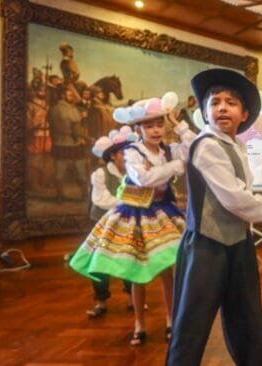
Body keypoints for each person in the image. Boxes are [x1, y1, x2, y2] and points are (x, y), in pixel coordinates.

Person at [69, 93, 195, 346]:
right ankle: (139, 323)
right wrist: (175, 167)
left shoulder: (168, 150)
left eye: (160, 124)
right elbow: (143, 179)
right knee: (137, 271)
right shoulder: (132, 152)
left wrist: (179, 126)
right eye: (149, 126)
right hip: (135, 214)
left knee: (167, 269)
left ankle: (172, 320)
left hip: (163, 211)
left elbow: (193, 151)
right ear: (138, 129)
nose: (156, 130)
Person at [166, 69, 262, 366]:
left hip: (238, 243)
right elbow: (233, 197)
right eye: (215, 102)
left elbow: (241, 189)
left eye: (231, 102)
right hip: (206, 246)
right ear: (205, 112)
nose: (222, 107)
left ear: (244, 114)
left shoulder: (235, 145)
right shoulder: (207, 145)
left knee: (247, 317)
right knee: (192, 323)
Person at [85, 127, 137, 319]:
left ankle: (133, 298)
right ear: (114, 155)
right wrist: (129, 201)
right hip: (102, 223)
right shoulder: (100, 174)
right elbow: (101, 199)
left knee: (129, 258)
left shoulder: (134, 173)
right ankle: (101, 302)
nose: (128, 157)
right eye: (124, 153)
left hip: (125, 222)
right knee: (100, 262)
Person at [48, 87, 88, 201]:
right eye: (69, 95)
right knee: (61, 172)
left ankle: (83, 195)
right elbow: (70, 125)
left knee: (80, 171)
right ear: (63, 96)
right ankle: (61, 196)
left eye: (72, 95)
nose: (72, 97)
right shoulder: (58, 109)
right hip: (64, 144)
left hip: (73, 144)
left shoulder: (72, 108)